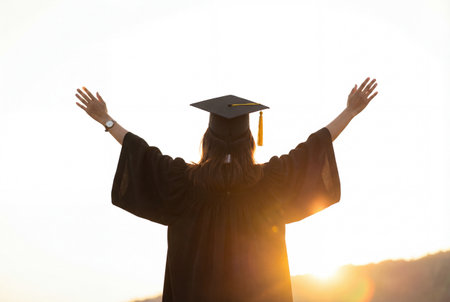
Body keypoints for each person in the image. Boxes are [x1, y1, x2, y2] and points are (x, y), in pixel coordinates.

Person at [75, 77, 378, 302]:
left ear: (208, 139)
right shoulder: (270, 183)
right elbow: (314, 148)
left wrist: (106, 119)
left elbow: (141, 153)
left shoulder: (184, 184)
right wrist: (349, 111)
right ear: (250, 140)